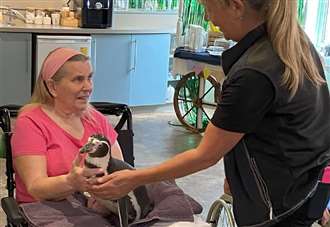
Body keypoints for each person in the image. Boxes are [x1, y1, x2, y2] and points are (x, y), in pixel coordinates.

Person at [88, 0, 330, 226]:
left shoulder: (254, 73)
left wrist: (134, 178)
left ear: (236, 6)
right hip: (309, 186)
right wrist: (238, 174)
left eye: (208, 6)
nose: (207, 17)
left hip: (279, 203)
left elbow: (204, 155)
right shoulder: (294, 44)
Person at [11, 47, 123, 203]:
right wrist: (71, 182)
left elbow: (119, 169)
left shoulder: (95, 118)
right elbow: (35, 187)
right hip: (45, 209)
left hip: (94, 206)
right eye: (78, 79)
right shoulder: (31, 123)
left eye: (89, 78)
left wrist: (103, 197)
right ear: (52, 87)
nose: (88, 87)